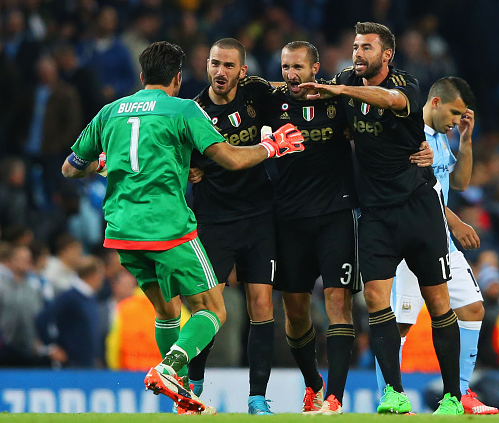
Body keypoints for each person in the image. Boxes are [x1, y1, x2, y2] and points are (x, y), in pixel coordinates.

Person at [61, 41, 305, 413]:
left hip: (122, 231)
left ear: (142, 76)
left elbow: (70, 168)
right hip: (167, 227)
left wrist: (102, 164)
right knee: (213, 310)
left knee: (167, 312)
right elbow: (232, 159)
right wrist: (272, 147)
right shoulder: (183, 109)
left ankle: (181, 396)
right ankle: (169, 368)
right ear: (177, 78)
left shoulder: (110, 111)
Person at [300, 22, 463, 415]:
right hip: (374, 212)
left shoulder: (408, 84)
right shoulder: (344, 80)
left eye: (367, 47)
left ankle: (453, 397)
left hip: (417, 207)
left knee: (438, 300)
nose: (358, 53)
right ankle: (393, 392)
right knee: (375, 299)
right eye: (355, 46)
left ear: (386, 54)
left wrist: (341, 90)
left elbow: (389, 101)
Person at [374, 77, 498, 414]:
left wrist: (466, 140)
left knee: (473, 308)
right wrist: (455, 221)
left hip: (441, 242)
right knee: (399, 322)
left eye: (462, 116)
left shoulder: (443, 138)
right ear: (435, 103)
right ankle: (390, 396)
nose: (457, 120)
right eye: (455, 113)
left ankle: (460, 393)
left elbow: (457, 182)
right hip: (410, 238)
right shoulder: (411, 136)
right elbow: (417, 191)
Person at [263, 41, 360, 415]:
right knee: (297, 311)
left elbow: (374, 127)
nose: (291, 75)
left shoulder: (337, 100)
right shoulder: (272, 100)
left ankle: (334, 397)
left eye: (298, 67)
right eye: (285, 67)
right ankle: (312, 384)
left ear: (315, 67)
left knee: (339, 303)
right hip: (288, 218)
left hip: (336, 213)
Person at [187, 38, 277, 415]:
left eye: (228, 65)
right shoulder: (193, 111)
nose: (220, 72)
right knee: (208, 308)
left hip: (259, 218)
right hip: (214, 221)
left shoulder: (259, 93)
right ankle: (192, 389)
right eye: (214, 64)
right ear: (206, 66)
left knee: (262, 305)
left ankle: (257, 397)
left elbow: (289, 99)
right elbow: (181, 161)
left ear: (243, 70)